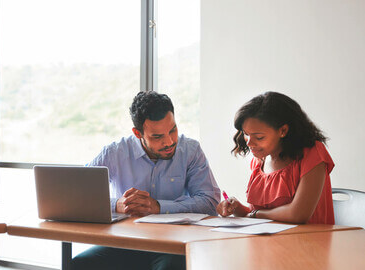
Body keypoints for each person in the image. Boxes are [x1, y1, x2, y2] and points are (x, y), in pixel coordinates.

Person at [71, 91, 220, 270]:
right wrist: (117, 204)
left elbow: (210, 202)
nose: (169, 141)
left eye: (172, 130)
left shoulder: (191, 151)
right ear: (137, 133)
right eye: (157, 136)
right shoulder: (114, 153)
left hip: (172, 244)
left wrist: (159, 207)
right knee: (81, 264)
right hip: (124, 242)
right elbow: (77, 195)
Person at [217, 91, 334, 224]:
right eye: (246, 134)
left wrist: (255, 215)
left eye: (259, 137)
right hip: (269, 240)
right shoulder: (260, 160)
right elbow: (255, 214)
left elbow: (298, 215)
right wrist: (236, 207)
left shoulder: (313, 153)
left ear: (283, 131)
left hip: (309, 241)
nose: (249, 142)